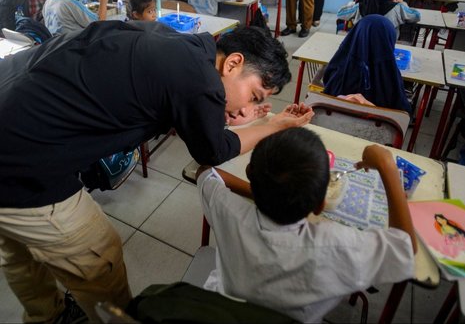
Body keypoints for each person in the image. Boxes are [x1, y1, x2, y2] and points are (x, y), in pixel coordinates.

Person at [0, 22, 313, 322]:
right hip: (20, 163)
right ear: (232, 63)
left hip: (10, 99)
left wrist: (231, 112)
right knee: (97, 254)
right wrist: (272, 124)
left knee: (18, 251)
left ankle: (47, 316)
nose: (248, 107)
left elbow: (181, 107)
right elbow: (213, 151)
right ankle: (116, 321)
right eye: (254, 96)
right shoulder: (197, 79)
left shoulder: (179, 45)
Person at [196, 127, 417, 323]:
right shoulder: (337, 246)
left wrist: (264, 193)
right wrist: (387, 165)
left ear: (250, 173)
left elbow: (205, 173)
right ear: (320, 205)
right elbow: (405, 247)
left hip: (222, 312)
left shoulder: (228, 210)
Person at [323, 15, 412, 113]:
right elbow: (404, 115)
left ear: (355, 35)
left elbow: (326, 85)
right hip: (378, 126)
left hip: (331, 124)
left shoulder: (337, 73)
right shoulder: (391, 81)